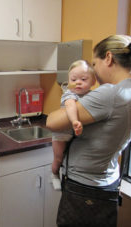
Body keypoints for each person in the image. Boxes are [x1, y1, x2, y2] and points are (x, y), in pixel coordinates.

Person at [46, 35, 131, 227]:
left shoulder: (110, 94)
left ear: (108, 58)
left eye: (95, 64)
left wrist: (71, 96)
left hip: (84, 188)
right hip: (108, 183)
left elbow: (52, 121)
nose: (94, 72)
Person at [51, 60, 96, 189]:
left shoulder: (92, 96)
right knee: (58, 158)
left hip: (76, 135)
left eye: (83, 79)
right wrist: (75, 121)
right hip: (62, 133)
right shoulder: (69, 94)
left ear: (93, 82)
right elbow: (71, 106)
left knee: (68, 159)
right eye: (73, 79)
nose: (78, 82)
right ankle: (54, 174)